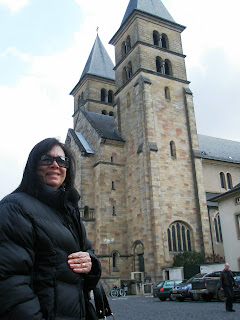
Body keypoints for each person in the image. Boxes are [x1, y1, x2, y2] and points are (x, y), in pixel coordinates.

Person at [0, 138, 101, 319]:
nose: (55, 165)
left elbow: (87, 253)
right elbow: (10, 283)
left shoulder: (69, 211)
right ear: (33, 165)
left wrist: (91, 264)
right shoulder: (14, 207)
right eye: (47, 159)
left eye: (62, 161)